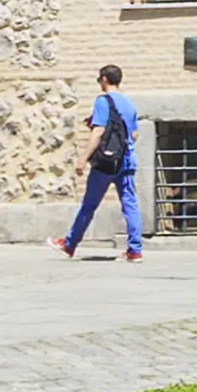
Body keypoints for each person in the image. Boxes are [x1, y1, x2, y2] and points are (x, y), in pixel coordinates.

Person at [60, 64, 146, 262]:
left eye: (99, 80)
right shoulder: (128, 103)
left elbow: (98, 132)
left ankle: (69, 244)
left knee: (89, 204)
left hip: (107, 162)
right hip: (127, 160)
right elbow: (134, 134)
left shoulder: (102, 101)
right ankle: (135, 250)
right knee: (130, 204)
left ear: (104, 79)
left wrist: (83, 158)